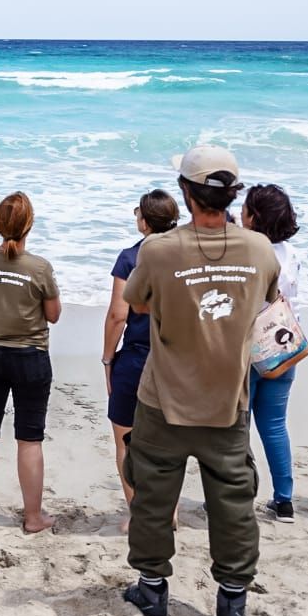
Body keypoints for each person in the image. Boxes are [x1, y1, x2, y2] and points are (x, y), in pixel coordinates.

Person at [119, 146, 280, 616]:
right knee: (233, 501)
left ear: (186, 193)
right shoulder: (258, 249)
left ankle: (153, 588)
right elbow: (270, 300)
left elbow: (136, 302)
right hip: (228, 398)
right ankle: (232, 603)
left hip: (163, 397)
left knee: (151, 494)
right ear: (231, 194)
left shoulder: (160, 250)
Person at [0, 192, 62, 533]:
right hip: (30, 356)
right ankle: (33, 517)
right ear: (29, 225)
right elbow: (54, 315)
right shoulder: (39, 267)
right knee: (29, 439)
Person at [101, 190, 179, 532]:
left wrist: (107, 360)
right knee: (170, 439)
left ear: (144, 222)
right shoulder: (189, 257)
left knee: (127, 439)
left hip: (137, 355)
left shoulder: (131, 258)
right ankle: (170, 512)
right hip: (178, 357)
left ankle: (138, 512)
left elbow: (119, 315)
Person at [241, 184, 304, 523]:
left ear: (255, 216)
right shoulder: (292, 253)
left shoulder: (249, 252)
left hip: (251, 344)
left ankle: (238, 493)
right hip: (285, 341)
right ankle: (284, 500)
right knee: (276, 425)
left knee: (239, 424)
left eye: (245, 208)